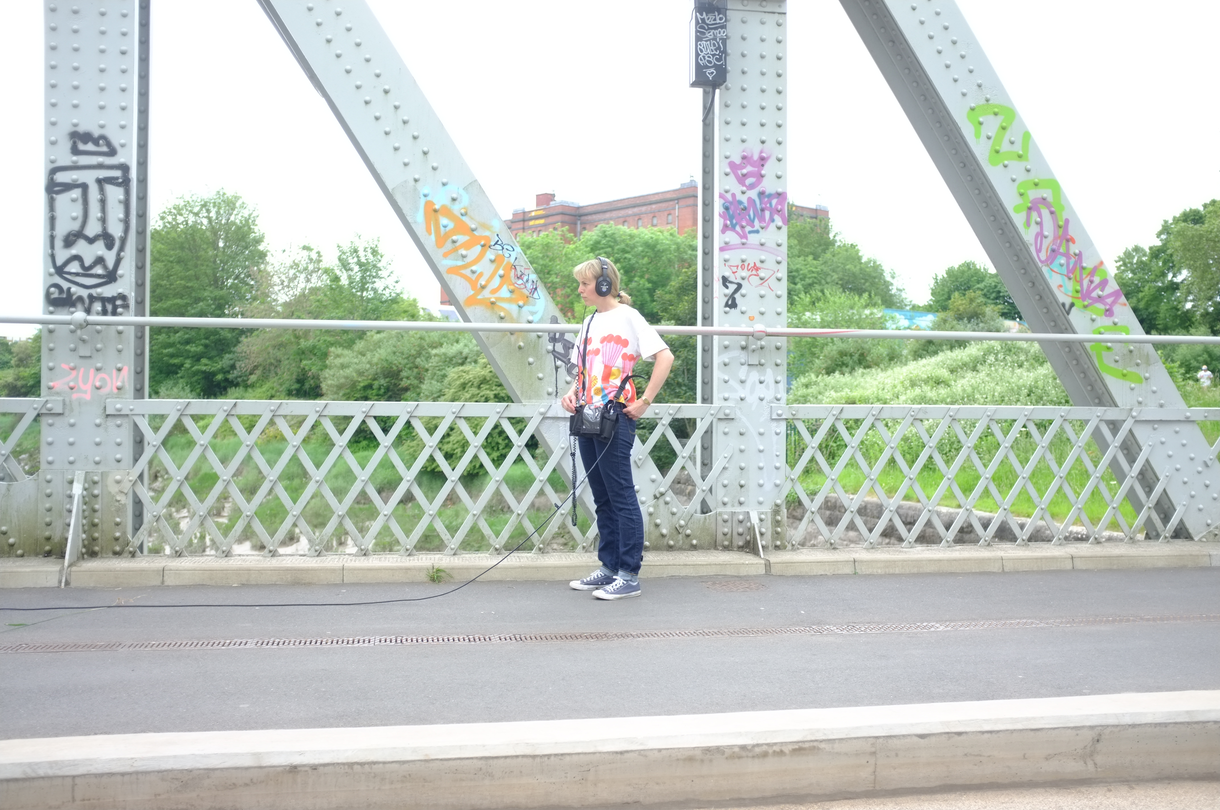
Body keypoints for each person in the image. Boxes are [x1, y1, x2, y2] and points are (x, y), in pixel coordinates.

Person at [560, 257, 674, 601]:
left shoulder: (629, 317)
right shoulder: (589, 321)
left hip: (616, 418)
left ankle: (628, 574)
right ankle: (608, 568)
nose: (580, 290)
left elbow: (665, 357)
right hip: (587, 415)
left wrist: (645, 401)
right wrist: (571, 393)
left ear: (604, 285)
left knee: (621, 495)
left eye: (585, 284)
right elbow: (584, 370)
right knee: (602, 496)